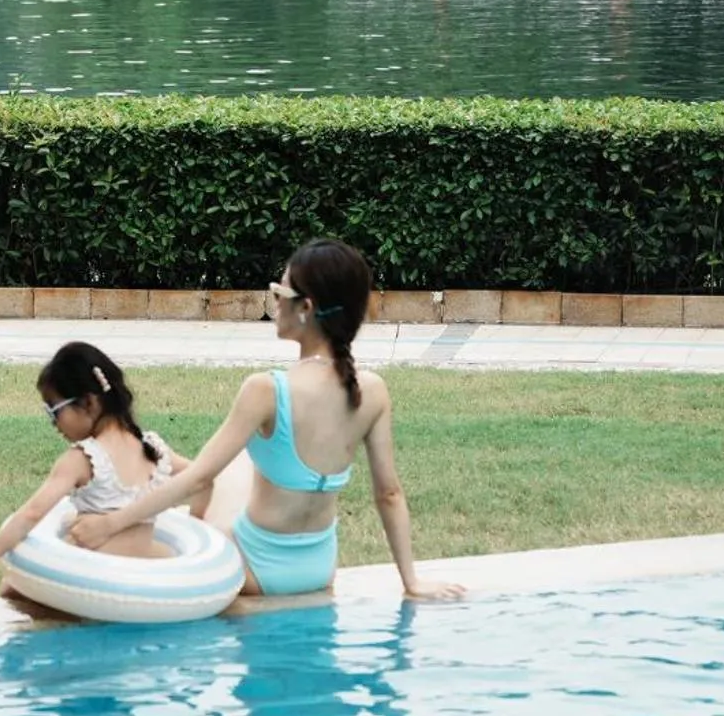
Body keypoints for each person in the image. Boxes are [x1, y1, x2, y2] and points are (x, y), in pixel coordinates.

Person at [69, 237, 463, 603]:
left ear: (306, 308)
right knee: (240, 464)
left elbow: (201, 478)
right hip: (318, 568)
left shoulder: (266, 390)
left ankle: (170, 476)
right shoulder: (372, 391)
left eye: (280, 294)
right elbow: (389, 494)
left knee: (192, 493)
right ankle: (174, 471)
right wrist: (411, 582)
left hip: (255, 570)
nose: (274, 304)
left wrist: (112, 524)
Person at [0, 341, 198, 606]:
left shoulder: (82, 459)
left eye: (54, 411)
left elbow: (31, 514)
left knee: (12, 588)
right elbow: (203, 479)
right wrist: (200, 523)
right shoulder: (156, 449)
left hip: (92, 586)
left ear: (88, 403)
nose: (53, 424)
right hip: (140, 586)